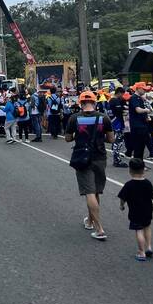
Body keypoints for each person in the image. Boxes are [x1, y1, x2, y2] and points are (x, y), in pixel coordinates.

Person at [65, 91, 114, 241]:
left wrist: (77, 136)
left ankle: (99, 229)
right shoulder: (104, 118)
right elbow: (111, 139)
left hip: (82, 158)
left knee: (89, 192)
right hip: (99, 157)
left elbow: (67, 138)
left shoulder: (74, 118)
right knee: (96, 191)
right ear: (95, 102)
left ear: (80, 103)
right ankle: (90, 220)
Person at [118, 158, 153, 261]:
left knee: (139, 230)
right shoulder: (147, 183)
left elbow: (123, 198)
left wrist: (122, 205)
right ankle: (148, 247)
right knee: (147, 227)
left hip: (135, 212)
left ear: (130, 171)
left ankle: (141, 252)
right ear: (143, 170)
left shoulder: (128, 185)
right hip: (147, 211)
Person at [128, 84, 153, 159]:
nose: (145, 91)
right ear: (138, 88)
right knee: (138, 146)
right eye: (143, 89)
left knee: (141, 146)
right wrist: (146, 110)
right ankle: (138, 164)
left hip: (141, 124)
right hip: (137, 126)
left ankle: (140, 163)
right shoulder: (134, 98)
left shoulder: (139, 98)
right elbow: (138, 110)